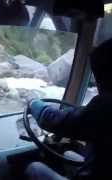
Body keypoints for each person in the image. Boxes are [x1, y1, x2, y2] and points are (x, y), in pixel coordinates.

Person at [25, 39, 112, 180]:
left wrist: (33, 102)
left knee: (34, 168)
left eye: (98, 76)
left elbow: (53, 120)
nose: (97, 83)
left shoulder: (105, 105)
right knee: (67, 154)